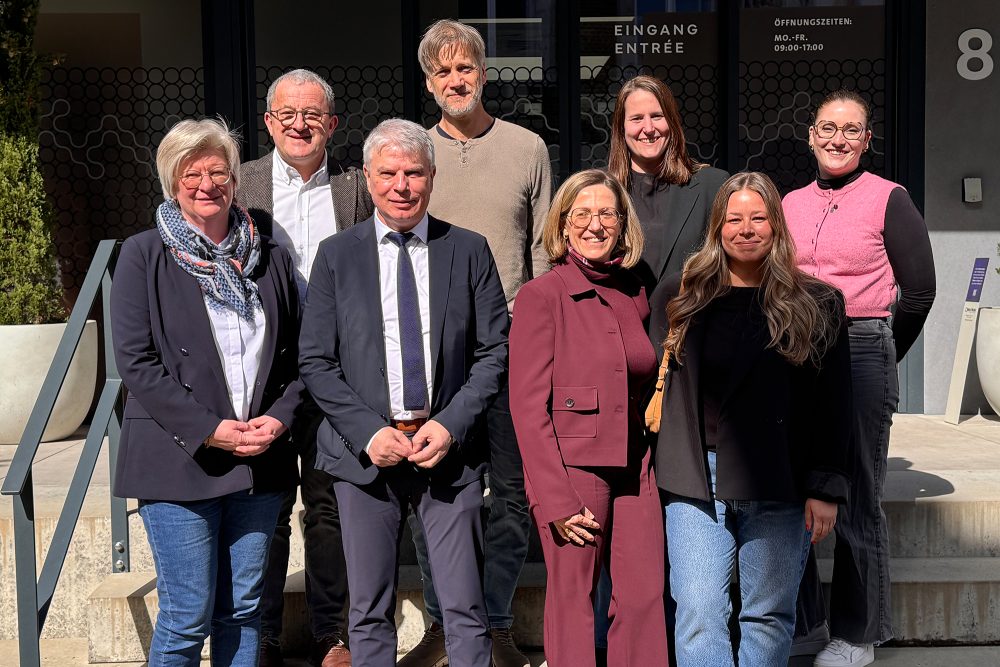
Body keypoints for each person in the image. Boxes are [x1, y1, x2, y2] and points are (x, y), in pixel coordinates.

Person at [299, 118, 509, 667]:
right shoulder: (335, 256)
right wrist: (370, 432)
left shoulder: (468, 250)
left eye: (414, 173)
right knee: (368, 610)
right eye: (388, 173)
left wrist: (451, 423)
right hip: (365, 458)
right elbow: (315, 361)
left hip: (448, 452)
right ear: (368, 179)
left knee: (464, 607)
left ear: (432, 177)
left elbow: (494, 352)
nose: (402, 185)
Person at [110, 118, 304, 666]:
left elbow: (298, 357)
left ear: (234, 180)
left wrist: (280, 419)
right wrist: (208, 428)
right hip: (179, 461)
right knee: (186, 614)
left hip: (259, 462)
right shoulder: (143, 255)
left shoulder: (269, 257)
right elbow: (136, 363)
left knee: (244, 609)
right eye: (190, 173)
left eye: (217, 171)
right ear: (172, 182)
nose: (206, 184)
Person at [400, 18, 553, 667]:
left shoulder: (528, 148)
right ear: (429, 82)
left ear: (483, 73)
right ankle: (443, 622)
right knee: (433, 492)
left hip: (514, 346)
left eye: (465, 68)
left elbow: (545, 252)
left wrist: (549, 345)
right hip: (433, 354)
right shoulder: (412, 153)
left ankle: (491, 623)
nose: (455, 80)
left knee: (514, 493)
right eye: (442, 71)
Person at [657, 172, 852, 667]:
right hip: (697, 477)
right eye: (733, 218)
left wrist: (826, 488)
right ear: (717, 227)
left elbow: (834, 405)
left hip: (779, 480)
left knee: (767, 615)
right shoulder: (682, 298)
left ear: (777, 226)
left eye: (758, 217)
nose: (746, 229)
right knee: (699, 609)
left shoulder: (819, 304)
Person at [784, 90, 936, 667]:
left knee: (856, 494)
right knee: (791, 492)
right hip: (796, 352)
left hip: (860, 345)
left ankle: (858, 632)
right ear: (811, 135)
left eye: (851, 130)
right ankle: (802, 621)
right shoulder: (790, 201)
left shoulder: (888, 199)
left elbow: (919, 289)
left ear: (867, 139)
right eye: (827, 127)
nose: (837, 139)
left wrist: (883, 348)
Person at [237, 67, 373, 667]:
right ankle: (261, 635)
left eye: (312, 114)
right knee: (264, 506)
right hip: (262, 372)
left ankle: (332, 635)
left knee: (326, 505)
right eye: (287, 114)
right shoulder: (239, 187)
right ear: (268, 123)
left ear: (332, 126)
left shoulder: (358, 189)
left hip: (335, 371)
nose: (299, 124)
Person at [509, 169, 668, 667]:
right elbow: (527, 406)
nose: (595, 225)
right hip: (572, 471)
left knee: (643, 596)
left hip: (635, 463)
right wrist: (555, 499)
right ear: (562, 223)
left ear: (623, 224)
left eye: (607, 213)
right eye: (582, 214)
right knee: (574, 599)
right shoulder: (542, 295)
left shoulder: (636, 289)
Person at [608, 74, 729, 347]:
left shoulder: (713, 186)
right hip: (622, 348)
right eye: (637, 118)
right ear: (621, 127)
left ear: (672, 122)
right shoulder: (603, 193)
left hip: (694, 343)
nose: (648, 128)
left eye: (657, 116)